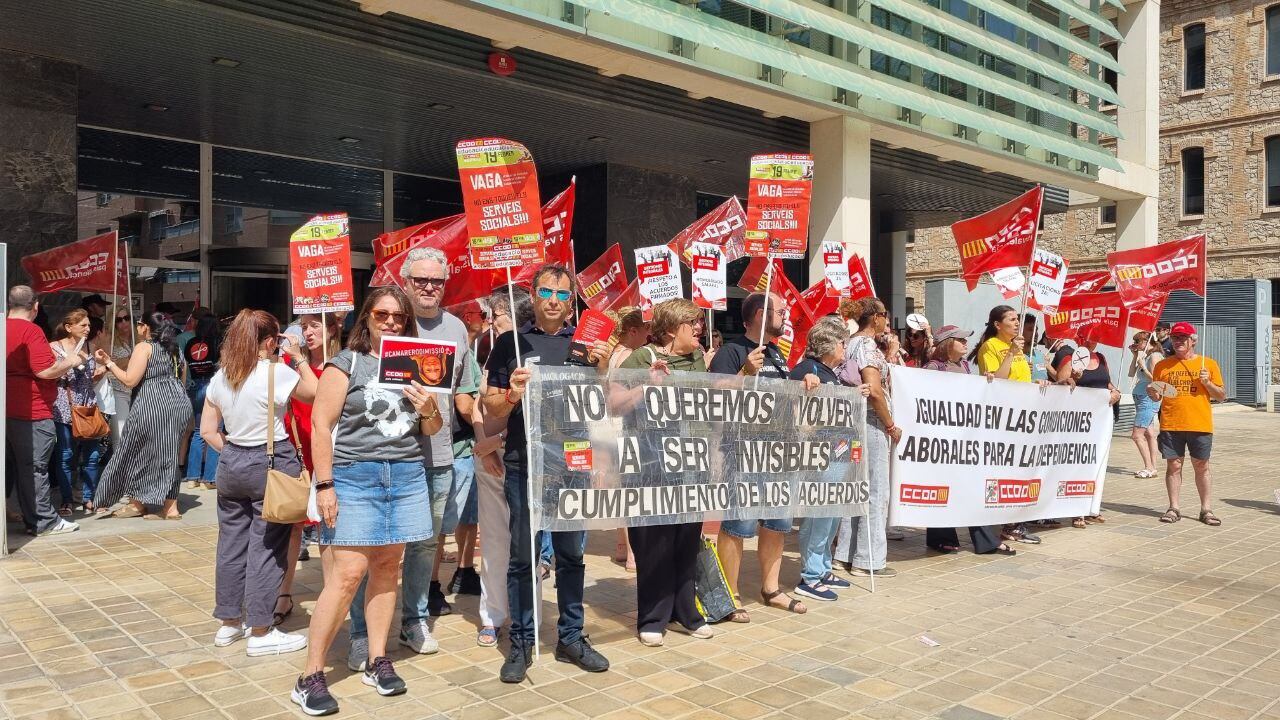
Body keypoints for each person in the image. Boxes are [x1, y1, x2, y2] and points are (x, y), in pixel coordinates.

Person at [292, 287, 442, 715]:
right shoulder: (347, 364)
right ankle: (310, 676)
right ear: (367, 317)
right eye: (383, 314)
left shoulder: (418, 364)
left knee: (388, 568)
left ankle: (378, 659)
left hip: (408, 474)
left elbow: (430, 429)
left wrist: (429, 407)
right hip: (355, 476)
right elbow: (321, 426)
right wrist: (325, 486)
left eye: (399, 317)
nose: (391, 322)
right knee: (347, 575)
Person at [344, 248, 473, 672]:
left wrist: (493, 419)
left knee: (424, 546)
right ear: (405, 282)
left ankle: (414, 620)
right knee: (372, 550)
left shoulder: (456, 329)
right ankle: (362, 632)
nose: (429, 287)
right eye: (421, 280)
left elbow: (461, 394)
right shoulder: (385, 326)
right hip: (382, 456)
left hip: (437, 457)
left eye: (436, 281)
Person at [482, 264, 612, 683]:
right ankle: (520, 641)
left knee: (571, 554)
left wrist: (605, 371)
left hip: (573, 463)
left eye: (562, 295)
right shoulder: (510, 343)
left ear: (571, 300)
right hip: (525, 462)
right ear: (533, 296)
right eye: (546, 292)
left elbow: (606, 406)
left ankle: (571, 637)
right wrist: (512, 394)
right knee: (522, 557)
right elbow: (491, 407)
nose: (554, 301)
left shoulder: (588, 341)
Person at [200, 309, 318, 656]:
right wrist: (297, 358)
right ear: (270, 340)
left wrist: (236, 452)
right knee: (267, 548)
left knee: (231, 545)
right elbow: (314, 393)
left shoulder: (222, 376)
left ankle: (229, 623)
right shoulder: (276, 373)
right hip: (269, 459)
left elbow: (208, 431)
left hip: (232, 460)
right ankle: (262, 631)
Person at [612, 299, 715, 645]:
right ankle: (653, 617)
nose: (699, 328)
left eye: (700, 322)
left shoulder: (699, 358)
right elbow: (613, 402)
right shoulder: (641, 357)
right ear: (672, 329)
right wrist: (647, 386)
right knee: (654, 542)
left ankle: (686, 612)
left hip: (691, 463)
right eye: (693, 323)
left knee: (686, 540)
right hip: (651, 464)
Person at [707, 292, 806, 620]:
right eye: (781, 311)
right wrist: (746, 372)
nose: (785, 316)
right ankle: (729, 593)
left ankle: (771, 588)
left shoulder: (778, 354)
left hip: (780, 452)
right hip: (744, 450)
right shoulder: (731, 351)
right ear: (763, 313)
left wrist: (805, 383)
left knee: (777, 522)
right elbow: (715, 395)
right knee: (739, 523)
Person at [792, 318, 870, 600]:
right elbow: (798, 405)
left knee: (832, 512)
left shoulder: (827, 372)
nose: (844, 348)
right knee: (819, 513)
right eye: (841, 343)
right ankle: (810, 576)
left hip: (838, 450)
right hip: (821, 453)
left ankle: (822, 567)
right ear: (829, 344)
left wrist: (851, 395)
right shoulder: (807, 369)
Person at [472, 286, 532, 648]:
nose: (491, 321)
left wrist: (499, 442)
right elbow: (479, 405)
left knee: (527, 543)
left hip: (523, 460)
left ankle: (527, 613)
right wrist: (484, 446)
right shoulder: (491, 351)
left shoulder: (535, 352)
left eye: (497, 314)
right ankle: (492, 616)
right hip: (489, 464)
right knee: (494, 542)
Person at [921, 326, 1015, 556]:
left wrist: (985, 384)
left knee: (970, 488)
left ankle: (985, 540)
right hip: (943, 438)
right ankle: (941, 537)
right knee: (943, 487)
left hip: (964, 438)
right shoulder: (934, 367)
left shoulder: (964, 366)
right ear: (946, 343)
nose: (965, 343)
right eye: (960, 339)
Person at [93, 311, 193, 520]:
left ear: (146, 327)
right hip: (178, 402)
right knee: (169, 454)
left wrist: (109, 363)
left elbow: (130, 380)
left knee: (135, 451)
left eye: (138, 323)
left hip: (152, 402)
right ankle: (170, 507)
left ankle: (136, 503)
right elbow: (182, 379)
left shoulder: (144, 347)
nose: (136, 327)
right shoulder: (175, 349)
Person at [7, 286, 84, 536]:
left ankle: (31, 519)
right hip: (32, 409)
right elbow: (44, 371)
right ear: (36, 306)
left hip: (6, 410)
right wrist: (69, 362)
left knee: (15, 468)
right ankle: (43, 521)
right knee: (35, 468)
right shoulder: (32, 330)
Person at [834, 297, 899, 579]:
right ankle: (868, 558)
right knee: (875, 491)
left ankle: (844, 555)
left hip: (851, 422)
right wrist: (890, 424)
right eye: (885, 315)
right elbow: (873, 390)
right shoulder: (867, 346)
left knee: (854, 489)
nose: (886, 320)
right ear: (875, 318)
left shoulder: (849, 342)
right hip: (870, 423)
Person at [971, 306, 1041, 545]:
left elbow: (1020, 380)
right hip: (1004, 419)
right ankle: (1006, 524)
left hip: (1024, 417)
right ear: (997, 325)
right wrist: (1010, 354)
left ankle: (1016, 523)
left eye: (1017, 318)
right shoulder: (990, 346)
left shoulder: (1020, 348)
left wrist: (1036, 382)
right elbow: (996, 381)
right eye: (1012, 319)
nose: (1017, 323)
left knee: (1022, 470)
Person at [1148, 322, 1226, 526]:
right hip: (1171, 423)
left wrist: (1207, 383)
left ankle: (1206, 509)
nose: (1178, 341)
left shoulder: (1208, 364)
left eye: (1183, 337)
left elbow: (1221, 397)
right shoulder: (1162, 365)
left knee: (1201, 466)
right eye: (1175, 337)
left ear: (1194, 340)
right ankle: (1174, 507)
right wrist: (1152, 392)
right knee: (1173, 465)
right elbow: (1157, 395)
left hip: (1199, 423)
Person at [1055, 334, 1120, 529]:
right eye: (1086, 337)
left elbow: (1106, 382)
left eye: (1094, 337)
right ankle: (1075, 511)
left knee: (1097, 462)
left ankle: (1091, 507)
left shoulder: (1101, 357)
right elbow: (1062, 383)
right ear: (1077, 339)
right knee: (1077, 464)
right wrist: (1073, 377)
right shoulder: (1069, 357)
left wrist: (1115, 391)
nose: (1090, 341)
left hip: (1100, 421)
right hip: (1078, 422)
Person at [49, 309, 106, 515]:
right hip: (64, 406)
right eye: (83, 325)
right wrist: (68, 363)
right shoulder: (54, 348)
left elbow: (88, 380)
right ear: (68, 327)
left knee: (91, 455)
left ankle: (89, 498)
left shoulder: (89, 347)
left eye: (89, 325)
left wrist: (102, 370)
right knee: (65, 454)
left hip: (87, 405)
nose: (88, 329)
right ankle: (66, 500)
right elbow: (48, 377)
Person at [183, 313, 223, 490]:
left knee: (199, 432)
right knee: (216, 430)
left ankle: (192, 477)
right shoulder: (218, 343)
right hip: (212, 386)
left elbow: (187, 365)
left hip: (194, 388)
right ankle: (209, 478)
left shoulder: (192, 343)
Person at [1128, 331, 1164, 479]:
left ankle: (1149, 467)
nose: (1137, 344)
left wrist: (1144, 366)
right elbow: (1131, 374)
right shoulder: (1145, 356)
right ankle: (1152, 467)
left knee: (1137, 435)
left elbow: (1157, 380)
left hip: (1148, 398)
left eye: (1139, 342)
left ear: (1148, 341)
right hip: (1140, 396)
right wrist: (1135, 356)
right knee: (1149, 434)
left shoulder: (1155, 356)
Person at [104, 310, 135, 444]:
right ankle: (120, 464)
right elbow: (109, 365)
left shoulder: (137, 338)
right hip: (118, 391)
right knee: (121, 434)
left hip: (137, 391)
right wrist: (133, 358)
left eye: (126, 318)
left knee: (137, 433)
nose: (124, 322)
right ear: (113, 323)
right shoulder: (110, 341)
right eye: (119, 320)